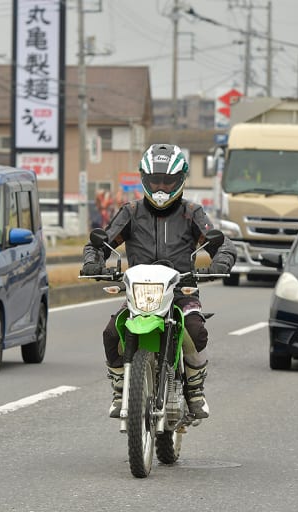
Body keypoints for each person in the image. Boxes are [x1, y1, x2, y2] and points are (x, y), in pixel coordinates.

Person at [80, 143, 237, 419]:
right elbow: (100, 243)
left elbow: (221, 244)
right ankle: (120, 387)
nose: (162, 187)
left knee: (195, 329)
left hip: (181, 290)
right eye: (156, 181)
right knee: (111, 333)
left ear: (181, 180)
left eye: (168, 181)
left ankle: (195, 389)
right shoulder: (130, 212)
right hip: (140, 294)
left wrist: (221, 260)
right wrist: (93, 260)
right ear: (145, 180)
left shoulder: (192, 213)